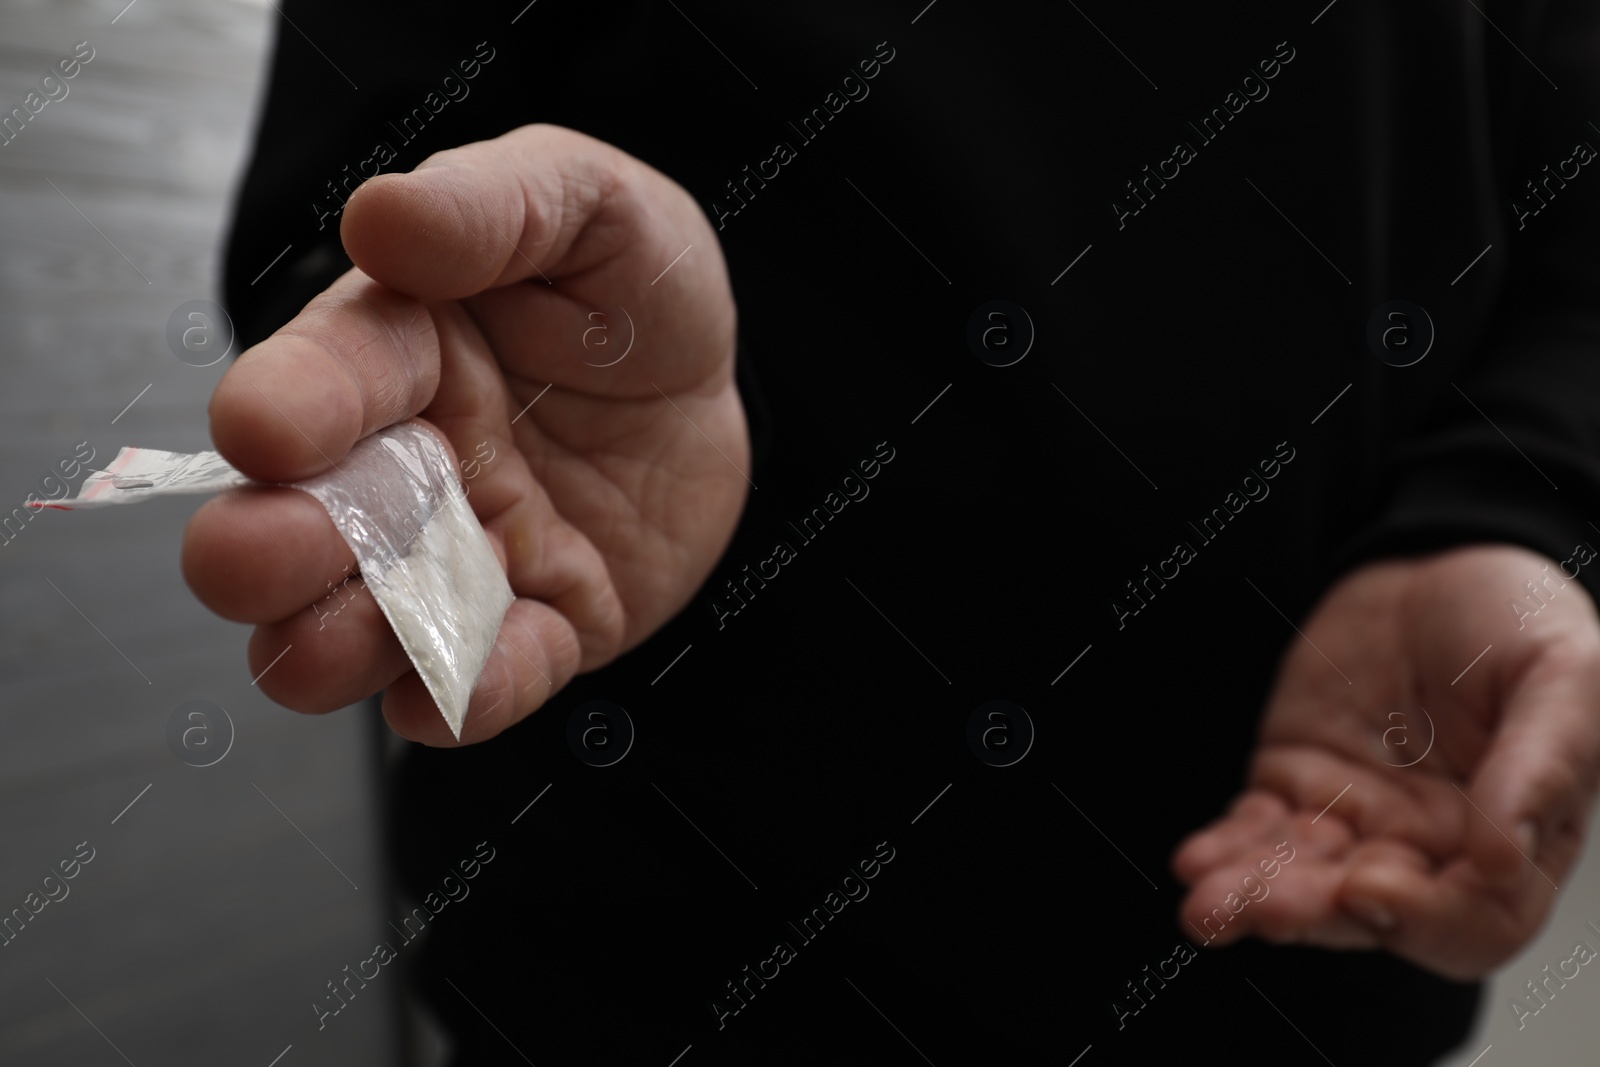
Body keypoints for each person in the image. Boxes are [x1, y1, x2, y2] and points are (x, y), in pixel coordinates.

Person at [184, 1, 1600, 1062]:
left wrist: (1508, 518)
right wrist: (530, 381)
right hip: (665, 951)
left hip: (1312, 939)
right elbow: (351, 227)